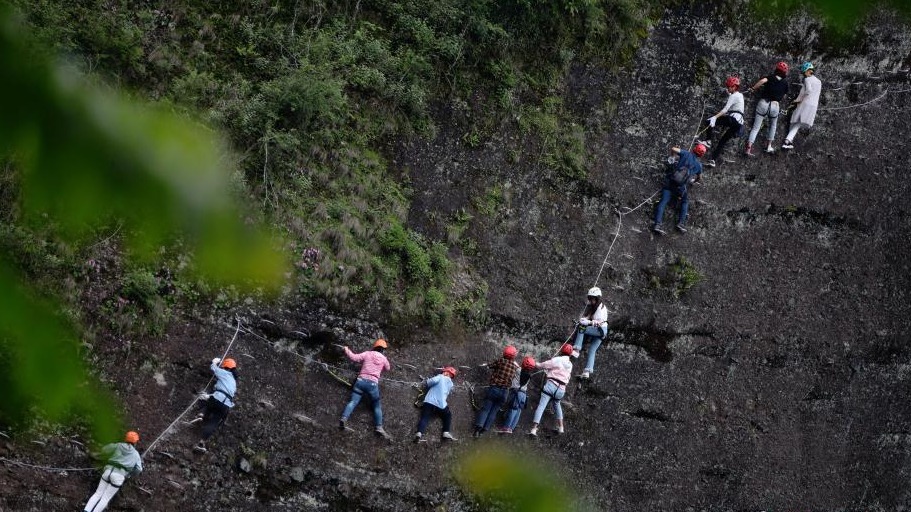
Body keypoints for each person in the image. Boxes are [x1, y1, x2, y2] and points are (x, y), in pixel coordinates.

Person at [339, 339, 392, 438]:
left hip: (361, 381)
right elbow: (388, 368)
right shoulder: (384, 358)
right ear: (383, 349)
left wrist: (346, 349)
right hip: (372, 385)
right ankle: (379, 427)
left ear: (375, 347)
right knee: (376, 406)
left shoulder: (367, 354)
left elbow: (354, 357)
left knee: (353, 402)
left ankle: (344, 418)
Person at [652, 143, 706, 235]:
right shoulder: (699, 166)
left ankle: (657, 224)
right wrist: (693, 181)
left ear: (694, 149)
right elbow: (699, 178)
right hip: (680, 188)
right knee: (685, 202)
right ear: (701, 155)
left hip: (670, 182)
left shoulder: (686, 153)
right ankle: (681, 223)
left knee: (663, 201)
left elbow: (673, 149)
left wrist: (672, 156)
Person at [83, 431, 143, 512]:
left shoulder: (117, 445)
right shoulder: (136, 454)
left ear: (126, 439)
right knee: (105, 498)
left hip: (108, 471)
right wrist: (129, 475)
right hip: (119, 476)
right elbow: (139, 469)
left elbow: (105, 449)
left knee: (97, 494)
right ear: (135, 442)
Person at [473, 345, 519, 438]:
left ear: (504, 353)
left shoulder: (501, 361)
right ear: (514, 356)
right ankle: (484, 431)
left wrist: (485, 365)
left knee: (486, 409)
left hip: (494, 389)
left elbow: (490, 366)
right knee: (494, 412)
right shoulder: (515, 367)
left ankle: (477, 431)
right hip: (505, 392)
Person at [193, 357, 238, 453]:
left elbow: (213, 368)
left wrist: (215, 362)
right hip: (226, 405)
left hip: (217, 397)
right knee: (213, 423)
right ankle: (201, 442)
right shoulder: (234, 382)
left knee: (206, 397)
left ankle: (202, 414)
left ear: (226, 367)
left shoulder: (225, 373)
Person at [746, 61, 790, 155]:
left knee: (755, 128)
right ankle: (769, 146)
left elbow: (762, 81)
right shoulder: (785, 83)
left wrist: (753, 88)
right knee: (773, 126)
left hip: (763, 103)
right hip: (775, 105)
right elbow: (785, 95)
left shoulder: (770, 77)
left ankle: (748, 148)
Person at [528, 345, 574, 436]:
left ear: (561, 351)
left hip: (551, 385)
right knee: (557, 404)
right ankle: (561, 427)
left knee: (541, 406)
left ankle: (534, 429)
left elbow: (543, 365)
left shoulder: (557, 359)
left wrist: (535, 363)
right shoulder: (570, 365)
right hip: (561, 389)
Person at [702, 76, 745, 167]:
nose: (728, 88)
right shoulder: (740, 95)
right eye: (728, 86)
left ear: (734, 87)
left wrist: (715, 117)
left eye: (729, 87)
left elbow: (725, 109)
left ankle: (708, 140)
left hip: (733, 119)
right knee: (722, 141)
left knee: (709, 121)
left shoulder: (733, 96)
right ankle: (713, 160)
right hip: (739, 123)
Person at [571, 287, 610, 379]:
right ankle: (587, 372)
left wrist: (587, 322)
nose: (591, 300)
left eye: (592, 298)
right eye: (590, 298)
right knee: (592, 350)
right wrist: (585, 319)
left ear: (597, 298)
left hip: (600, 330)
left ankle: (576, 350)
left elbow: (598, 323)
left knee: (582, 328)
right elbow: (590, 316)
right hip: (602, 332)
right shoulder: (595, 307)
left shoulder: (601, 308)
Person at [782, 62, 822, 150]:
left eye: (804, 72)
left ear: (807, 71)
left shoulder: (807, 80)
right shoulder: (819, 81)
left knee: (797, 121)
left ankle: (787, 141)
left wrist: (798, 100)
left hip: (805, 103)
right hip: (813, 105)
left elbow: (808, 91)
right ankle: (789, 141)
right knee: (795, 121)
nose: (804, 75)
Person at [414, 367, 458, 442]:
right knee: (447, 416)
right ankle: (446, 432)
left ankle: (419, 433)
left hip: (429, 402)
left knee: (425, 418)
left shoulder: (440, 377)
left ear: (446, 372)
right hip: (441, 405)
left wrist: (428, 381)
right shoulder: (451, 384)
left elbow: (430, 382)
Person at [497, 356, 535, 434]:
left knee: (513, 409)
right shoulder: (529, 375)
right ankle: (511, 428)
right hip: (523, 395)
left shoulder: (518, 370)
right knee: (518, 411)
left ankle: (506, 427)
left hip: (516, 393)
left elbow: (516, 366)